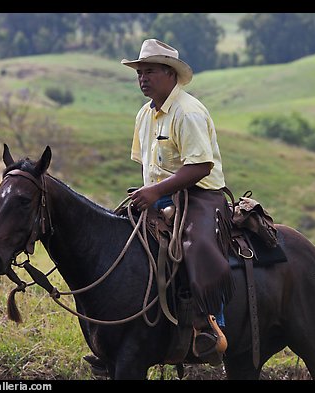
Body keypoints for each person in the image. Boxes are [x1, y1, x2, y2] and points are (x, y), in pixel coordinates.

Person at [123, 38, 234, 365]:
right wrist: (150, 194)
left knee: (195, 244)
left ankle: (210, 325)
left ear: (170, 74)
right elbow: (146, 167)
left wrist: (157, 193)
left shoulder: (188, 112)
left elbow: (201, 166)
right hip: (157, 196)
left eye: (150, 71)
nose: (143, 78)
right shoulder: (144, 115)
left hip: (200, 194)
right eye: (140, 72)